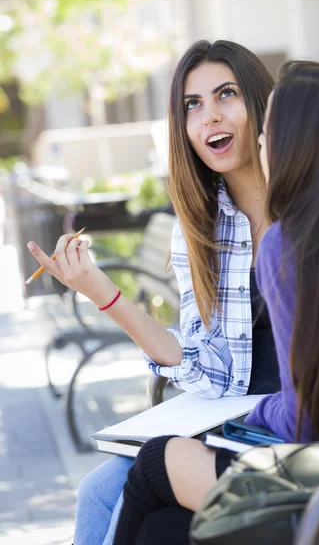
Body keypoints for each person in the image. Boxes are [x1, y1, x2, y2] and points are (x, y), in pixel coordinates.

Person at [111, 60, 319, 545]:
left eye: (270, 132)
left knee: (156, 468)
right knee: (158, 514)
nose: (212, 118)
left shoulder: (292, 244)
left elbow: (312, 418)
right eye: (193, 105)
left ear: (304, 146)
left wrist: (258, 413)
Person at [27, 40, 279, 545]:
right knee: (99, 490)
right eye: (193, 105)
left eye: (225, 95)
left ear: (261, 105)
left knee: (154, 520)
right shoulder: (200, 229)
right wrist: (101, 291)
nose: (209, 116)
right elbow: (208, 370)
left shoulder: (316, 210)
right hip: (234, 422)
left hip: (298, 428)